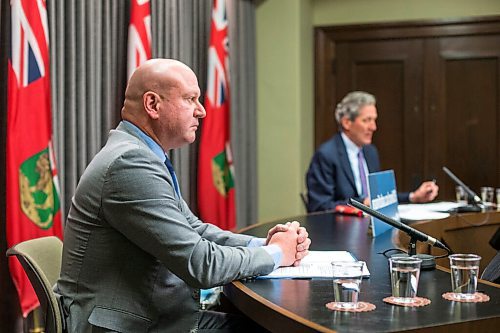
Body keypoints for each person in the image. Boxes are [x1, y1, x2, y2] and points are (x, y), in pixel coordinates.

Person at [55, 59, 311, 333]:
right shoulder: (130, 164)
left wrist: (264, 243)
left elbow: (195, 229)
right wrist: (276, 253)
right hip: (129, 325)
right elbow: (200, 264)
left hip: (153, 315)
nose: (201, 111)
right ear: (152, 105)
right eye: (191, 99)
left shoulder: (142, 154)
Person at [306, 91, 438, 212]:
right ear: (347, 123)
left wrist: (413, 197)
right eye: (367, 120)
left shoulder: (370, 152)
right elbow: (319, 207)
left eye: (374, 120)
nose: (373, 127)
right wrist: (362, 203)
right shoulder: (326, 155)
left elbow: (378, 198)